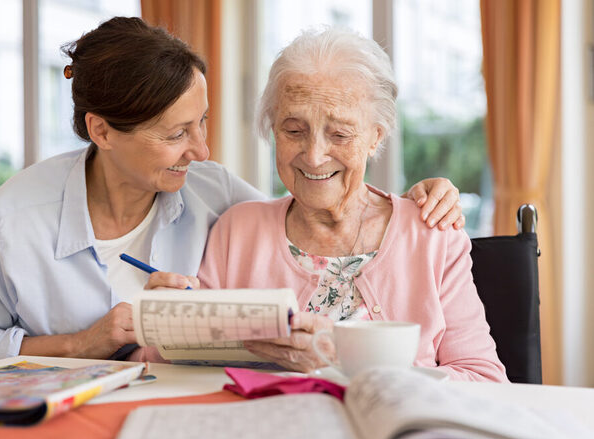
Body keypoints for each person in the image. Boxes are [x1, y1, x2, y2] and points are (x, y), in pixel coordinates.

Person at [0, 18, 463, 372]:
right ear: (101, 131)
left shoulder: (216, 194)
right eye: (175, 135)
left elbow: (316, 200)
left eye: (202, 122)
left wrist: (421, 198)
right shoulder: (14, 216)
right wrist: (80, 344)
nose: (202, 150)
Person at [197, 28, 507, 382]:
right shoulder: (236, 231)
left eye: (340, 134)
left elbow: (486, 380)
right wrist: (157, 323)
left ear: (376, 136)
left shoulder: (431, 233)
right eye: (293, 130)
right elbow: (178, 361)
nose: (313, 157)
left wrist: (342, 361)